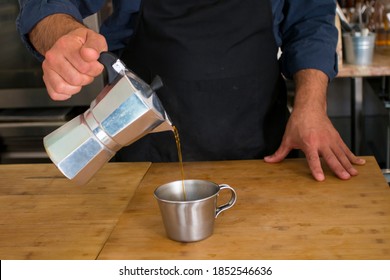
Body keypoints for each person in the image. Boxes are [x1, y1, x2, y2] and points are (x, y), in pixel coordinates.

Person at [17, 0, 365, 181]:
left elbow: (309, 19)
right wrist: (61, 37)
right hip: (143, 161)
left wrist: (311, 105)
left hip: (262, 155)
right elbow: (45, 5)